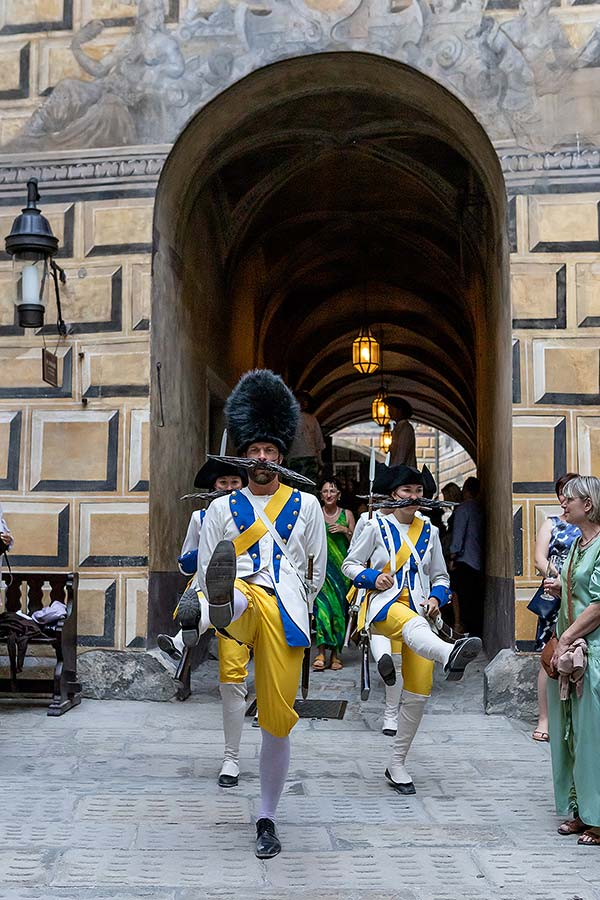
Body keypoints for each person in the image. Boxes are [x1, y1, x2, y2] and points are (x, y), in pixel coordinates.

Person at [177, 369, 327, 859]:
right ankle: (216, 607)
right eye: (255, 451)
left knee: (278, 723)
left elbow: (317, 570)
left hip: (284, 614)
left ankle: (267, 816)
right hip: (239, 599)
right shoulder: (221, 508)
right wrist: (210, 590)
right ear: (244, 454)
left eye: (270, 452)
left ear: (281, 457)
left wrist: (297, 601)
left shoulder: (305, 505)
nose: (262, 459)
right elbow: (203, 565)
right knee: (234, 591)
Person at [342, 465, 482, 794]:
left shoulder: (430, 531)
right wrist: (372, 578)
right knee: (412, 624)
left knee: (418, 694)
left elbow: (441, 577)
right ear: (394, 494)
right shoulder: (375, 526)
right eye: (406, 491)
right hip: (383, 607)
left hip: (421, 611)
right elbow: (350, 564)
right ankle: (450, 653)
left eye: (418, 492)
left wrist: (437, 597)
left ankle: (398, 763)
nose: (413, 497)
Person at [157, 459, 250, 788]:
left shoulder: (258, 517)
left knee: (232, 679)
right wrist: (205, 550)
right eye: (222, 483)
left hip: (244, 599)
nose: (228, 488)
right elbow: (184, 565)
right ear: (213, 488)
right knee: (198, 610)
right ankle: (183, 639)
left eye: (234, 482)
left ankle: (232, 757)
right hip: (203, 590)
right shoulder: (199, 517)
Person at [543, 475, 600, 847]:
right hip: (572, 654)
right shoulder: (580, 544)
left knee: (594, 734)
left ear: (588, 506)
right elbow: (581, 591)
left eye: (569, 500)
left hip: (590, 652)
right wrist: (561, 587)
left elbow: (598, 605)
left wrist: (565, 638)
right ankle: (582, 811)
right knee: (573, 734)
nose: (562, 505)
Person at [531, 472, 580, 743]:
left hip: (581, 593)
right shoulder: (552, 524)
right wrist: (559, 576)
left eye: (570, 492)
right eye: (562, 492)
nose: (564, 497)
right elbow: (539, 559)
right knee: (550, 655)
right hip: (554, 595)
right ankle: (545, 719)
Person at [312, 478, 355, 672]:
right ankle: (320, 652)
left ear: (339, 495)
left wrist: (345, 529)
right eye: (325, 491)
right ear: (320, 495)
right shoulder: (315, 514)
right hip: (320, 569)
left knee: (338, 612)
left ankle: (336, 654)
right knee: (321, 612)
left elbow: (358, 540)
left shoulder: (347, 514)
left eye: (332, 491)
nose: (329, 495)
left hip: (341, 571)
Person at [449, 477, 484, 637]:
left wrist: (452, 555)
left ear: (466, 490)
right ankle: (475, 630)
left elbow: (458, 535)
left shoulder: (463, 509)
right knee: (474, 597)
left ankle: (463, 627)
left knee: (462, 596)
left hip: (464, 560)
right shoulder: (479, 508)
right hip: (477, 559)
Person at [287, 390, 325, 487]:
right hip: (307, 457)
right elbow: (319, 442)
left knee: (295, 485)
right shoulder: (311, 419)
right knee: (309, 485)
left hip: (296, 457)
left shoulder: (289, 419)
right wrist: (320, 461)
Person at [388, 398, 417, 467]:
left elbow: (401, 456)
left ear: (399, 411)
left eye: (391, 409)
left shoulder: (406, 429)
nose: (389, 412)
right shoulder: (399, 428)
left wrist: (392, 472)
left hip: (403, 474)